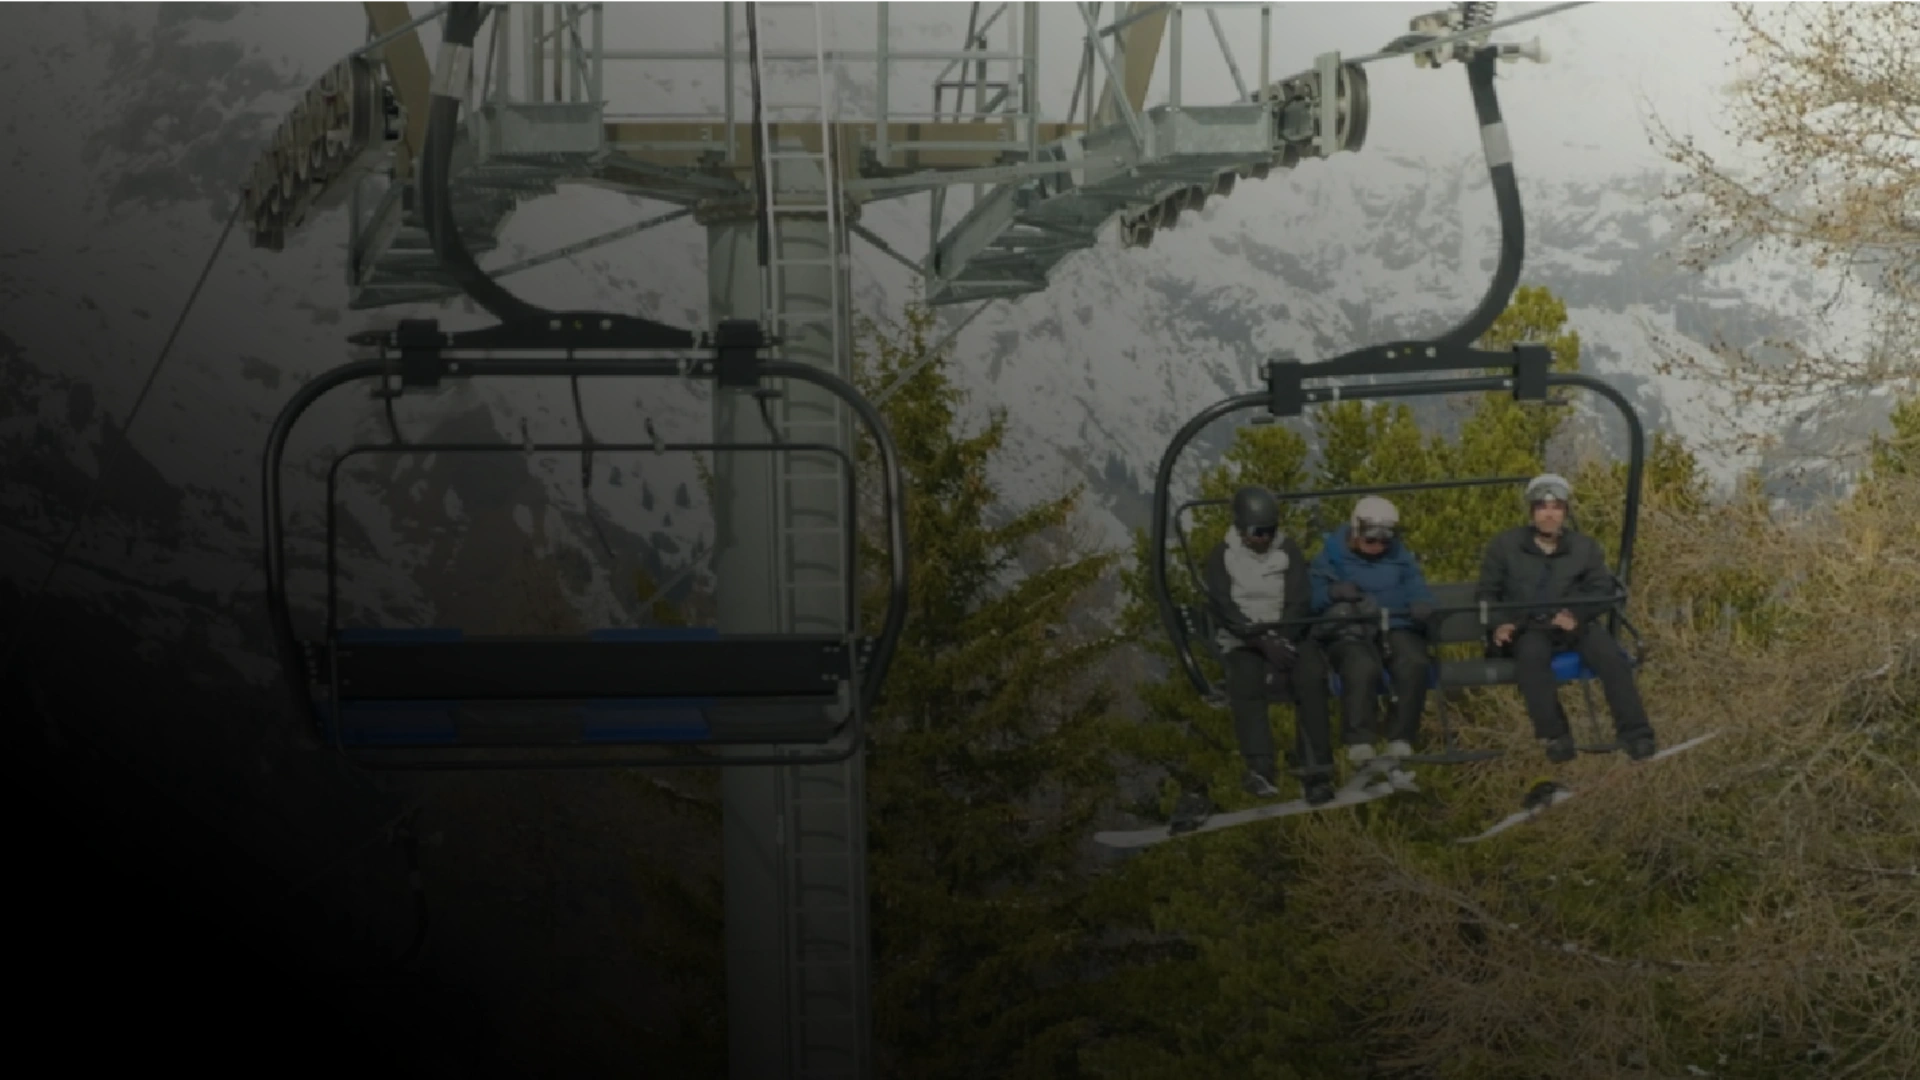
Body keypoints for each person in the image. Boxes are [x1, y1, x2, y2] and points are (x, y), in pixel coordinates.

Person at [1475, 473, 1658, 763]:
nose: (1549, 515)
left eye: (1556, 508)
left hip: (1573, 624)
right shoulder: (1506, 547)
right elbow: (1487, 592)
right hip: (1529, 626)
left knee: (1611, 656)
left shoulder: (1583, 548)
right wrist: (1500, 623)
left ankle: (1636, 734)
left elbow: (1600, 588)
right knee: (1532, 659)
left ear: (1565, 512)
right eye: (1542, 508)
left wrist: (1576, 615)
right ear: (1532, 511)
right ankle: (1555, 736)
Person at [1201, 485, 1338, 804]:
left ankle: (1316, 771)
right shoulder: (1222, 556)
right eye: (1256, 532)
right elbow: (1222, 605)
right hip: (1245, 637)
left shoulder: (1287, 550)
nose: (1263, 538)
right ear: (1240, 528)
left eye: (1268, 531)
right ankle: (1260, 767)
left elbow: (1299, 597)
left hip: (1286, 633)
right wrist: (1259, 640)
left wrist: (1284, 638)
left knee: (1311, 676)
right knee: (1246, 682)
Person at [1308, 496, 1437, 767]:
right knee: (1361, 666)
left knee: (1413, 661)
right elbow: (1312, 595)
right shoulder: (1332, 555)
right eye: (1370, 540)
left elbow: (1414, 581)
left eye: (1384, 541)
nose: (1378, 547)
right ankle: (1360, 740)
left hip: (1394, 623)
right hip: (1352, 629)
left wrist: (1421, 602)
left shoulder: (1398, 555)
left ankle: (1401, 736)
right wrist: (1333, 593)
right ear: (1356, 531)